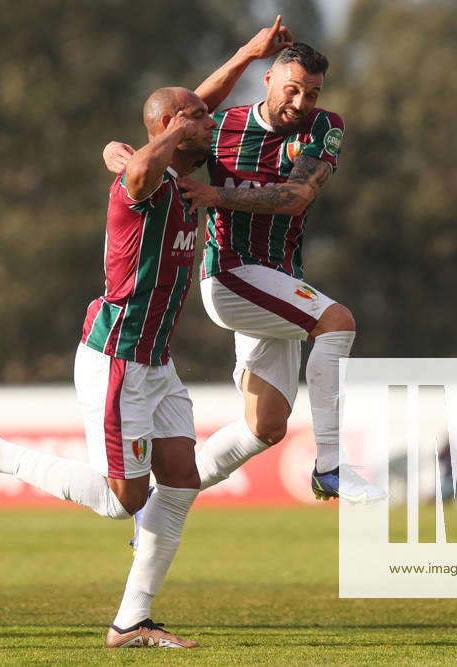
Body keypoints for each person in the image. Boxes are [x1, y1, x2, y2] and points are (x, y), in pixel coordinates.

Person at [0, 86, 215, 649]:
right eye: (198, 119)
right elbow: (142, 159)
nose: (212, 123)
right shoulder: (137, 186)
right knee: (123, 503)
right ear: (170, 127)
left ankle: (132, 622)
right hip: (119, 360)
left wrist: (248, 53)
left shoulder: (182, 178)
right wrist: (168, 131)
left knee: (182, 477)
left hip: (157, 362)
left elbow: (183, 109)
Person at [103, 18, 384, 505]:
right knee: (337, 323)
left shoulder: (325, 126)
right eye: (292, 89)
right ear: (269, 79)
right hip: (231, 275)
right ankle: (332, 466)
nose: (301, 103)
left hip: (278, 281)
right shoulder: (224, 127)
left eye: (312, 94)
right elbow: (178, 115)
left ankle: (157, 504)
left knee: (266, 426)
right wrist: (246, 53)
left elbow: (297, 197)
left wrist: (215, 194)